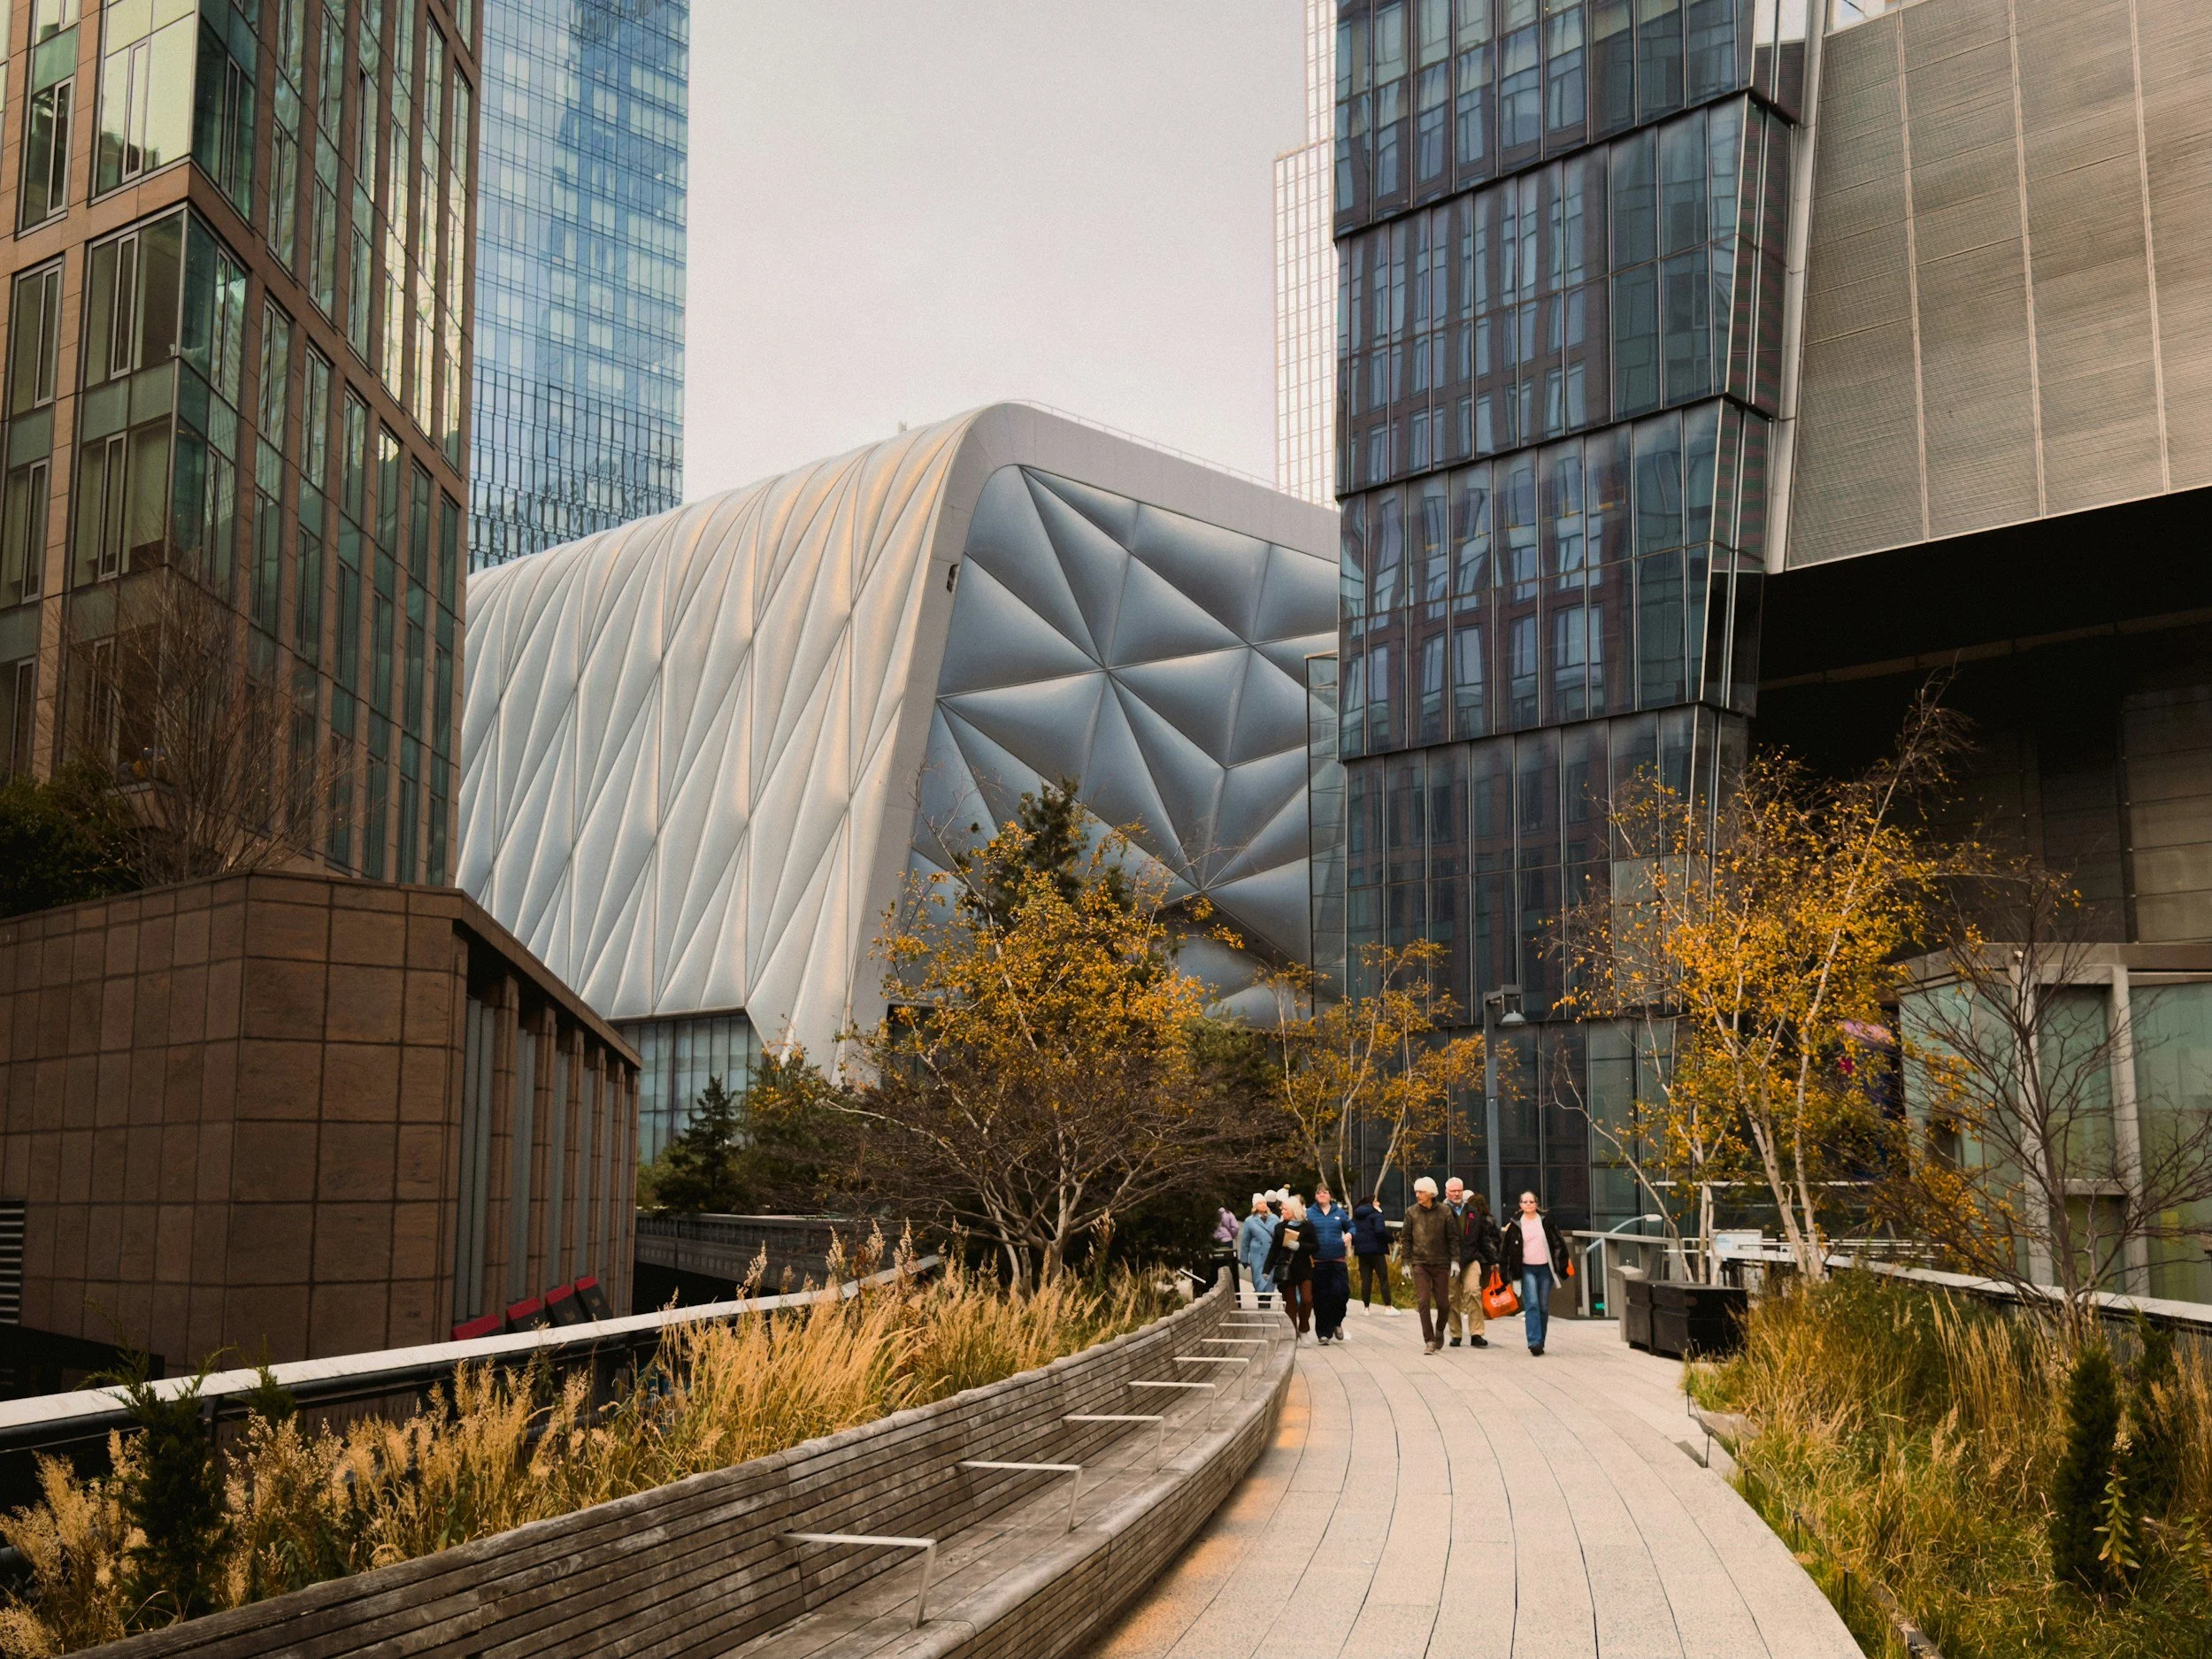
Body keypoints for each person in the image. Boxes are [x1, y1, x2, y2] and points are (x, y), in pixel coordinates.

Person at [1497, 1189, 1573, 1356]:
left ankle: (1541, 1340)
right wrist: (1504, 1272)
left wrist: (1562, 1265)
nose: (1529, 1205)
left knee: (1543, 1306)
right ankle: (1534, 1341)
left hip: (1546, 1269)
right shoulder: (1516, 1225)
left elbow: (1558, 1243)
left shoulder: (1545, 1221)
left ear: (1536, 1204)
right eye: (1525, 1202)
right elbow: (1506, 1250)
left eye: (1531, 1202)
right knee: (1532, 1304)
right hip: (1526, 1269)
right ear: (1520, 1205)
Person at [1398, 1176, 1456, 1354]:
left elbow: (1453, 1238)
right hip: (1420, 1263)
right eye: (1416, 1191)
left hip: (1441, 1263)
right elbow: (1406, 1239)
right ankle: (1429, 1340)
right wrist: (1405, 1262)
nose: (1417, 1194)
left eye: (1421, 1191)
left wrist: (1455, 1261)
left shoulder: (1445, 1212)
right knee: (1423, 1301)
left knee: (1443, 1304)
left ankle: (1440, 1329)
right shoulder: (1411, 1212)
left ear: (1431, 1193)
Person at [1445, 1180, 1501, 1349]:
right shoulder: (1441, 1211)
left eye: (1459, 1191)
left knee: (1473, 1291)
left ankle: (1477, 1333)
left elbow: (1483, 1238)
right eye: (1453, 1191)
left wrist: (1493, 1260)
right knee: (1452, 1297)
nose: (1456, 1194)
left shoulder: (1473, 1212)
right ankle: (1455, 1334)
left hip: (1471, 1258)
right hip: (1449, 1261)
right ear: (1446, 1192)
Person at [1306, 1183, 1351, 1344]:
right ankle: (1323, 1333)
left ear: (1330, 1195)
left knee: (1341, 1293)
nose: (1322, 1195)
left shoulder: (1339, 1213)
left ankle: (1337, 1321)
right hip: (1318, 1262)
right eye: (1319, 1192)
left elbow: (1352, 1227)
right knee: (1321, 1298)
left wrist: (1349, 1235)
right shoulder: (1309, 1213)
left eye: (1325, 1192)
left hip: (1338, 1260)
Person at [1266, 1194, 1315, 1340]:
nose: (1282, 1212)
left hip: (1304, 1268)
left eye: (1285, 1209)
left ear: (1293, 1210)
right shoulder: (1279, 1228)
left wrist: (1301, 1246)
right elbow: (1274, 1249)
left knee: (1307, 1299)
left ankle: (1304, 1327)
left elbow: (1315, 1246)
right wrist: (1266, 1269)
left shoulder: (1308, 1227)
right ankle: (1293, 1333)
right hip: (1285, 1269)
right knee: (1291, 1304)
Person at [1351, 1190, 1394, 1310]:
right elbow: (1380, 1231)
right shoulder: (1376, 1214)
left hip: (1362, 1252)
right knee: (1383, 1279)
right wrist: (1390, 1238)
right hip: (1377, 1251)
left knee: (1366, 1280)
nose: (1379, 1203)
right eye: (1376, 1201)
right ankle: (1388, 1307)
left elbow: (1353, 1232)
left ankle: (1366, 1308)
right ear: (1371, 1203)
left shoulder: (1356, 1216)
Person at [1236, 1194, 1277, 1308]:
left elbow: (1280, 1234)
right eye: (1260, 1203)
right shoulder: (1250, 1221)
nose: (1263, 1205)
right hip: (1257, 1256)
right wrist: (1244, 1259)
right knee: (1259, 1281)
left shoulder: (1274, 1218)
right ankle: (1262, 1301)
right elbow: (1245, 1241)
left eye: (1264, 1203)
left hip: (1271, 1255)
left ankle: (1266, 1303)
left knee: (1269, 1281)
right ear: (1255, 1205)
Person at [1212, 1203, 1241, 1293]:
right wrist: (1232, 1235)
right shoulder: (1228, 1214)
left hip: (1215, 1240)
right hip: (1227, 1240)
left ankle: (1216, 1283)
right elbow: (1236, 1227)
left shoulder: (1212, 1214)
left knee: (1215, 1263)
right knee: (1228, 1263)